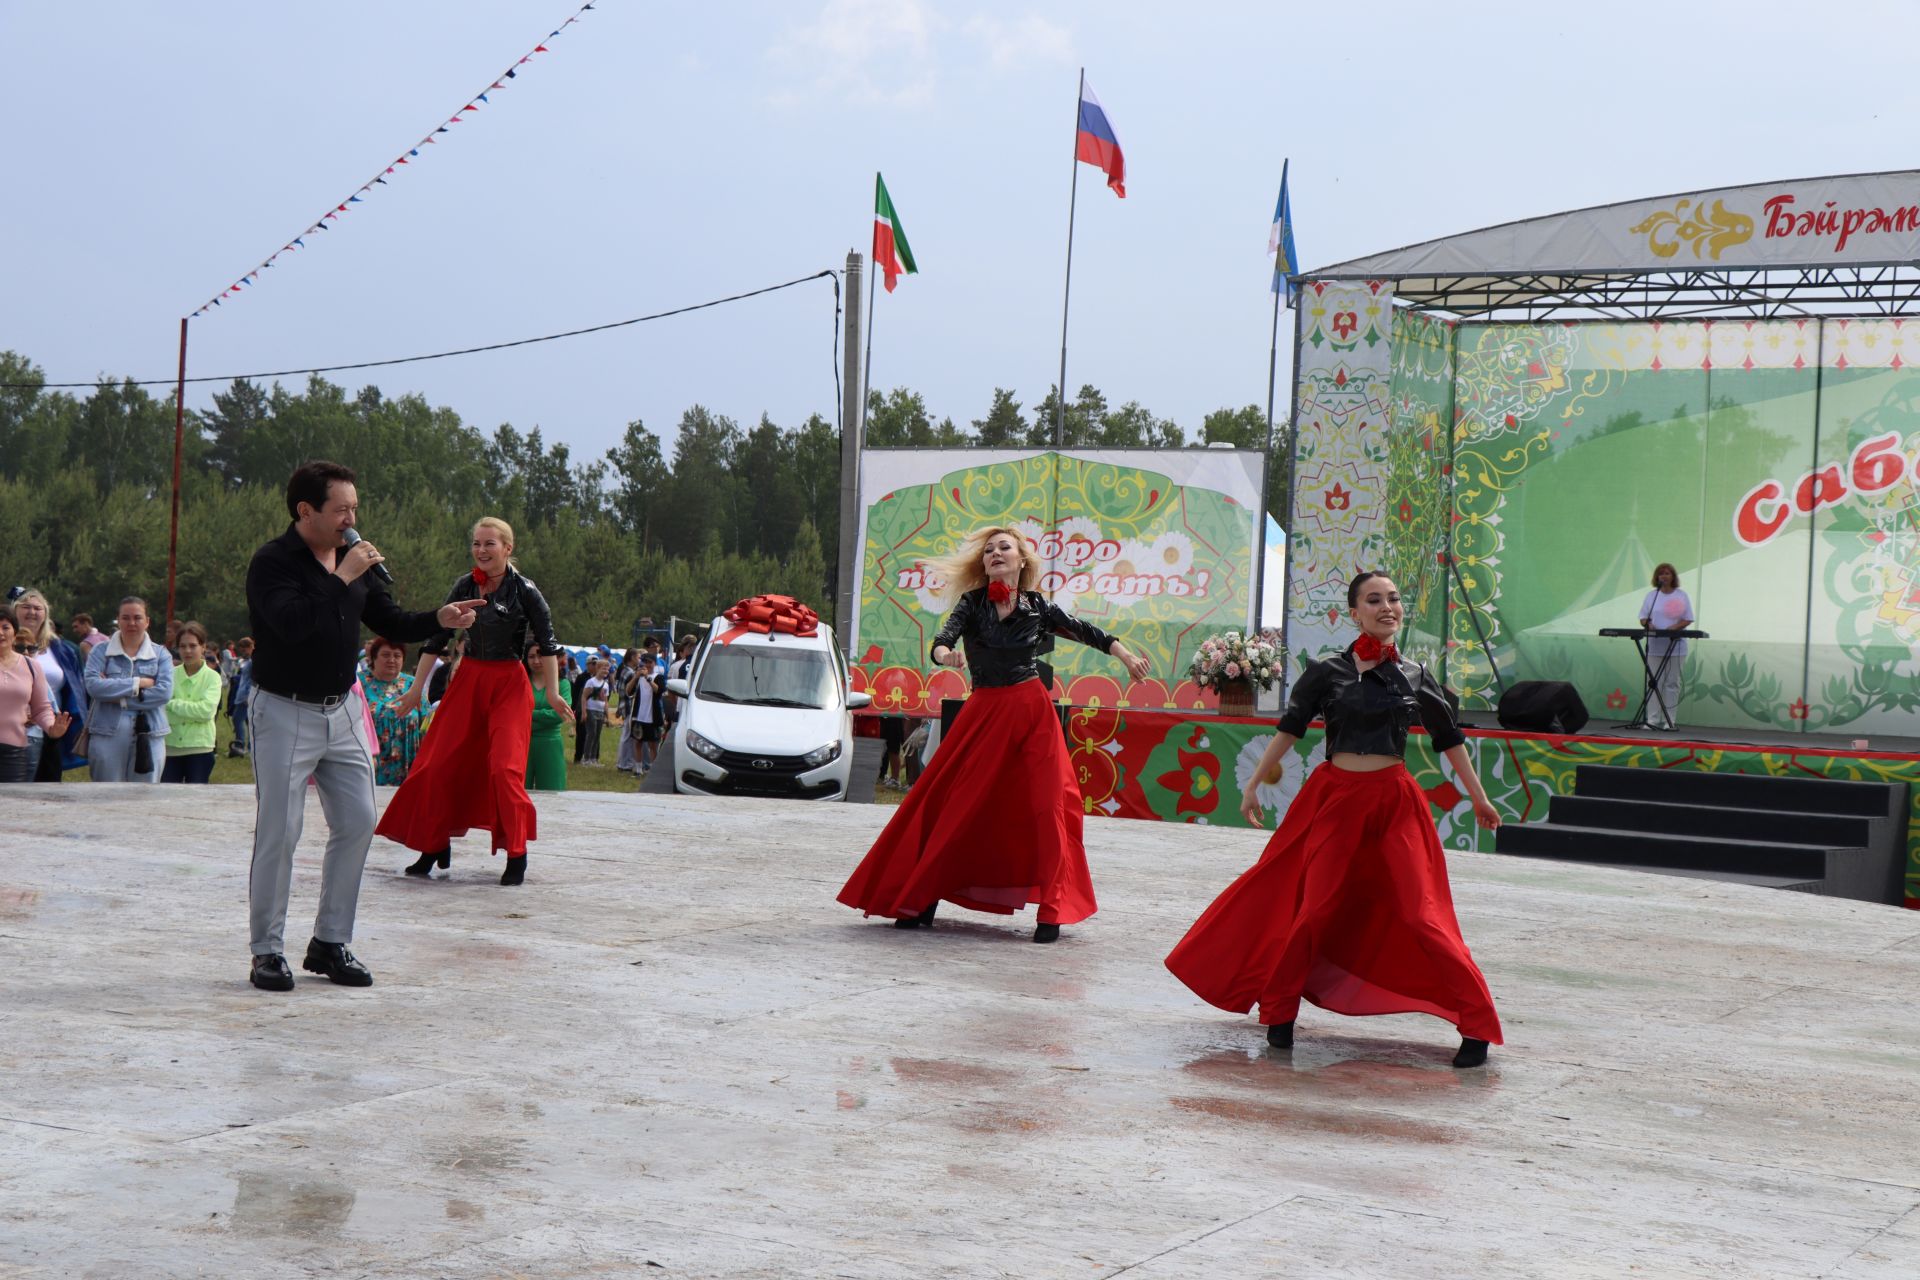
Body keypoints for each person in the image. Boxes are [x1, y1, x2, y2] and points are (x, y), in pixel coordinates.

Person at [1164, 570, 1505, 1069]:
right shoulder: (1326, 671)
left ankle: (1477, 1025)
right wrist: (1254, 781)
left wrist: (1478, 799)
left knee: (1421, 914)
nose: (1387, 606)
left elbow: (1448, 738)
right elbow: (1290, 728)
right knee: (1313, 908)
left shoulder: (1415, 674)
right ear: (1354, 612)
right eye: (1374, 599)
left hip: (1393, 803)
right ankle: (1279, 1012)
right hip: (1336, 799)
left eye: (1393, 598)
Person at [837, 525, 1151, 943]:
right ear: (983, 565)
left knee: (1048, 806)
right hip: (984, 712)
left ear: (1022, 560)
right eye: (989, 551)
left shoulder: (1039, 606)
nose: (996, 554)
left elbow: (1091, 633)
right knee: (954, 804)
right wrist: (944, 655)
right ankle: (922, 895)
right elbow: (942, 640)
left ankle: (1053, 909)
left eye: (1005, 548)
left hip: (1032, 714)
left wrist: (1126, 655)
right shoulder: (972, 603)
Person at [243, 460, 482, 993]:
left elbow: (389, 620)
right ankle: (266, 950)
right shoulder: (273, 563)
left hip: (344, 708)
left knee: (357, 821)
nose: (352, 517)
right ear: (306, 511)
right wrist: (342, 575)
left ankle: (330, 941)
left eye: (355, 506)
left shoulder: (354, 561)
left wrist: (438, 620)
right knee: (280, 832)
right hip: (284, 709)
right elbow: (292, 624)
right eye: (341, 509)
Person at [377, 516, 573, 886]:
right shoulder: (464, 584)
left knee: (503, 769)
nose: (481, 551)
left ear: (508, 548)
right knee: (434, 764)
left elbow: (547, 643)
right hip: (469, 678)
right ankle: (433, 844)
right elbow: (435, 639)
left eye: (490, 544)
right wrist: (417, 689)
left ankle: (517, 852)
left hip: (508, 683)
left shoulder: (526, 590)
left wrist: (549, 690)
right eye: (476, 544)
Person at [83, 596, 173, 784]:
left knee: (145, 795)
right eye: (125, 617)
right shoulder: (100, 651)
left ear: (147, 621)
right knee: (106, 793)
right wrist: (138, 683)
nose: (132, 623)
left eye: (137, 617)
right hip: (106, 733)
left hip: (151, 734)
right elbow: (93, 687)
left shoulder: (161, 654)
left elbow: (164, 693)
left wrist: (119, 697)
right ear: (118, 620)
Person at [12, 589, 88, 781]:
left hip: (49, 726)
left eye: (38, 608)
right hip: (9, 725)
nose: (32, 612)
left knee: (46, 785)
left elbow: (76, 688)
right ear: (14, 610)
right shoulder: (4, 643)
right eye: (26, 607)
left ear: (45, 614)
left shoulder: (62, 649)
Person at [0, 603, 59, 782]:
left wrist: (51, 727)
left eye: (5, 627)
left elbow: (41, 708)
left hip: (15, 752)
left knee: (13, 807)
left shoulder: (31, 666)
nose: (0, 633)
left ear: (15, 632)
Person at [357, 636, 425, 785]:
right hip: (370, 760)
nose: (392, 660)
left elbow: (425, 723)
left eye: (397, 655)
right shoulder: (359, 683)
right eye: (386, 655)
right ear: (373, 658)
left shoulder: (413, 685)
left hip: (408, 762)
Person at [160, 622, 222, 783]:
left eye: (193, 646)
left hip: (201, 748)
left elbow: (206, 712)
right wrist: (193, 712)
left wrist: (172, 704)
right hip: (171, 748)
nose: (187, 651)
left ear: (203, 647)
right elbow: (162, 710)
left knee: (196, 800)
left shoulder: (213, 677)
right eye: (182, 646)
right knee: (167, 799)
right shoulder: (169, 675)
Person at [1639, 563, 1694, 731]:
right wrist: (1648, 624)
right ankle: (1652, 720)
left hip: (1675, 646)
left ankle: (1669, 721)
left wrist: (1674, 628)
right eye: (1661, 573)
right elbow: (1643, 618)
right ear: (1657, 577)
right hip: (1655, 646)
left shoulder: (1681, 595)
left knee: (1672, 684)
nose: (1664, 576)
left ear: (1673, 577)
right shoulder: (1651, 596)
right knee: (1654, 683)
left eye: (1667, 573)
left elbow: (1688, 618)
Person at [526, 642, 572, 792]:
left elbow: (560, 714)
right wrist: (546, 716)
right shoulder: (520, 682)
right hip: (522, 745)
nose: (537, 661)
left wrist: (528, 714)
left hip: (550, 746)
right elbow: (511, 714)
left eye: (540, 655)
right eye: (531, 656)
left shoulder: (562, 684)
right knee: (517, 794)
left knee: (552, 795)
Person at [579, 659, 610, 765]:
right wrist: (584, 712)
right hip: (591, 710)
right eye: (603, 668)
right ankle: (586, 758)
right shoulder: (591, 682)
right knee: (591, 734)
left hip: (600, 711)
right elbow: (584, 697)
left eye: (607, 669)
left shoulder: (606, 684)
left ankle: (593, 758)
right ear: (597, 669)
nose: (605, 671)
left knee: (597, 735)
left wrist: (608, 716)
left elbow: (605, 700)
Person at [227, 637, 254, 757]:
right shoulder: (246, 660)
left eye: (244, 649)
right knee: (249, 722)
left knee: (237, 719)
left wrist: (248, 695)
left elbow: (253, 679)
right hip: (241, 694)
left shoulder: (253, 661)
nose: (242, 652)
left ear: (250, 647)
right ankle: (250, 747)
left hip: (246, 696)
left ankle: (240, 745)